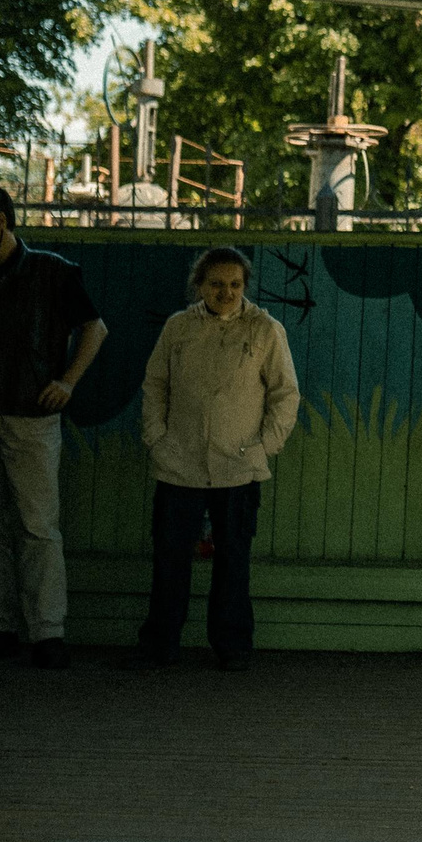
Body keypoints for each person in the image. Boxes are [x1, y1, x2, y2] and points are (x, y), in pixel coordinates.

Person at [0, 185, 107, 670]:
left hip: (28, 408)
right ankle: (2, 625)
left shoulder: (51, 272)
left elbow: (96, 328)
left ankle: (44, 629)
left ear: (0, 222)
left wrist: (67, 382)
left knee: (35, 523)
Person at [124, 248, 300, 673]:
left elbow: (285, 394)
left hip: (238, 468)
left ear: (245, 286)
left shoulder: (265, 330)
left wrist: (263, 448)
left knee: (234, 560)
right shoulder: (178, 328)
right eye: (217, 284)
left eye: (235, 285)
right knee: (170, 559)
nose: (227, 292)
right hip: (179, 465)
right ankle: (159, 645)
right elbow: (156, 384)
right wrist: (157, 439)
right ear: (199, 285)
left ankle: (233, 646)